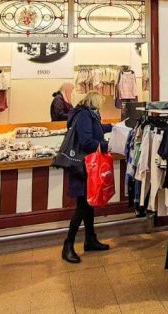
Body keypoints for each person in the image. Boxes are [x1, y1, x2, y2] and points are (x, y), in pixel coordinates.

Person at [62, 91, 113, 264]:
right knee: (82, 206)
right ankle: (67, 246)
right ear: (94, 101)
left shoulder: (87, 114)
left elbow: (96, 129)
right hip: (82, 167)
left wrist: (113, 127)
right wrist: (108, 145)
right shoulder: (84, 115)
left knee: (88, 204)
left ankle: (90, 239)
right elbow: (86, 141)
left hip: (86, 166)